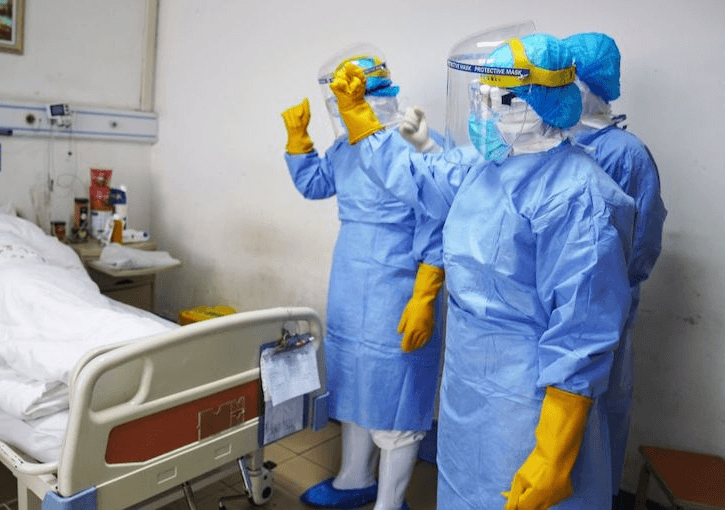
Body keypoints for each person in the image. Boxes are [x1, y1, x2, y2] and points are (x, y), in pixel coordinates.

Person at [329, 26, 635, 509]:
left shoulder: (577, 195)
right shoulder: (483, 166)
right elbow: (416, 175)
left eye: (501, 100)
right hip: (467, 384)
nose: (485, 111)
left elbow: (582, 331)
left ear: (544, 103)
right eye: (482, 97)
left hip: (528, 398)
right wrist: (359, 118)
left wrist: (553, 454)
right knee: (462, 488)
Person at [280, 44, 445, 510]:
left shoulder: (419, 140)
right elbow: (316, 184)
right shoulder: (347, 145)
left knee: (396, 393)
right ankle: (354, 477)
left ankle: (389, 503)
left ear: (371, 95)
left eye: (346, 100)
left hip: (401, 282)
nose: (339, 110)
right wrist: (298, 140)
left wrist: (425, 295)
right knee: (353, 382)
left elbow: (438, 218)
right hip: (351, 281)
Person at [565, 32, 667, 498]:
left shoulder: (627, 154)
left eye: (570, 80)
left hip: (606, 305)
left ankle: (598, 496)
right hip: (556, 305)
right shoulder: (553, 146)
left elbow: (642, 240)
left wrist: (611, 291)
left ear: (591, 86)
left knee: (601, 407)